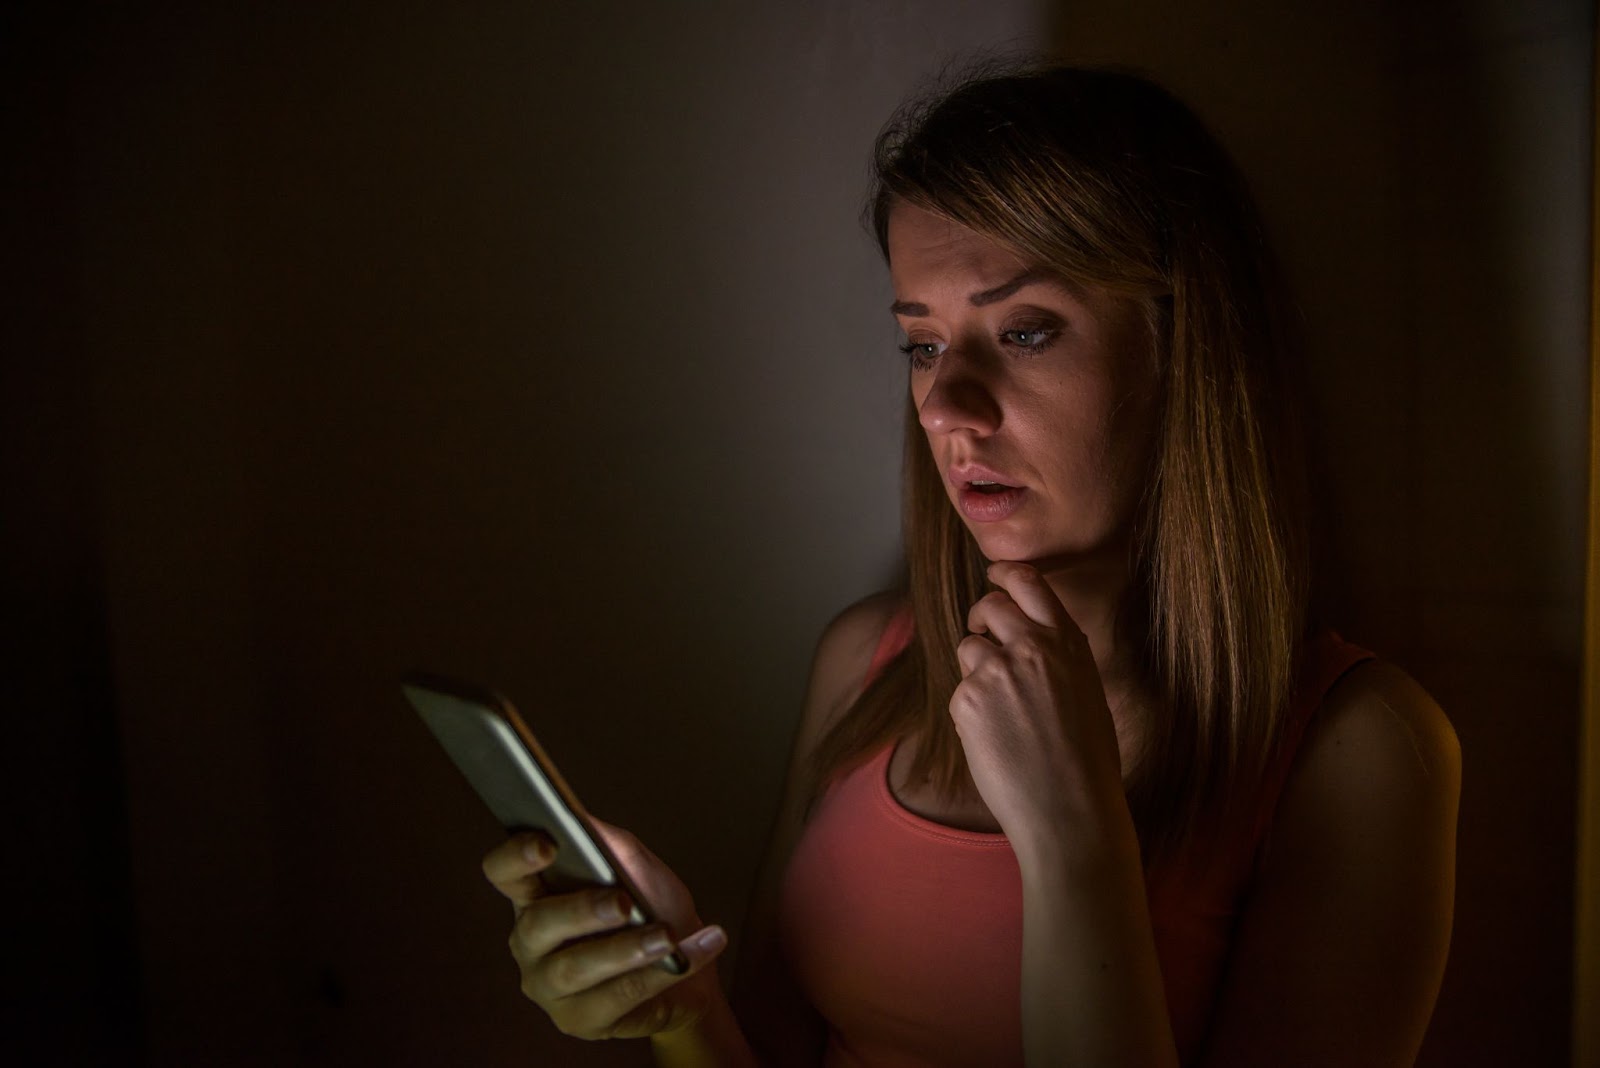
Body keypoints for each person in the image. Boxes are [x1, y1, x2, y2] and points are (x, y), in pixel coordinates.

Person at [480, 62, 1461, 1067]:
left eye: (1025, 332)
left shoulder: (1359, 750)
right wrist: (681, 1005)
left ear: (1185, 350)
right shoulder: (866, 663)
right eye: (922, 346)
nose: (948, 406)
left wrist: (1075, 845)